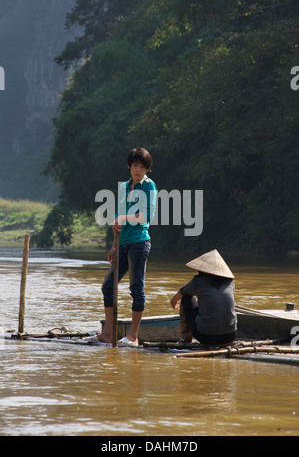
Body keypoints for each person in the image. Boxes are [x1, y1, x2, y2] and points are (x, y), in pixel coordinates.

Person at [93, 147, 157, 345]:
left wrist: (123, 217)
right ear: (129, 166)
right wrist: (114, 245)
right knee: (108, 286)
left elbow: (147, 216)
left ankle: (133, 336)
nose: (138, 170)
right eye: (135, 165)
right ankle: (108, 334)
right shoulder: (123, 188)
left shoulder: (149, 186)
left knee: (136, 289)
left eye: (142, 167)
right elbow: (118, 222)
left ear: (147, 169)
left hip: (139, 243)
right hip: (123, 243)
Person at [170, 249, 237, 346]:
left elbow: (182, 292)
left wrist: (173, 302)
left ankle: (185, 338)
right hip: (230, 335)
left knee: (186, 297)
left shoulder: (198, 282)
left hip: (206, 336)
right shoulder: (229, 282)